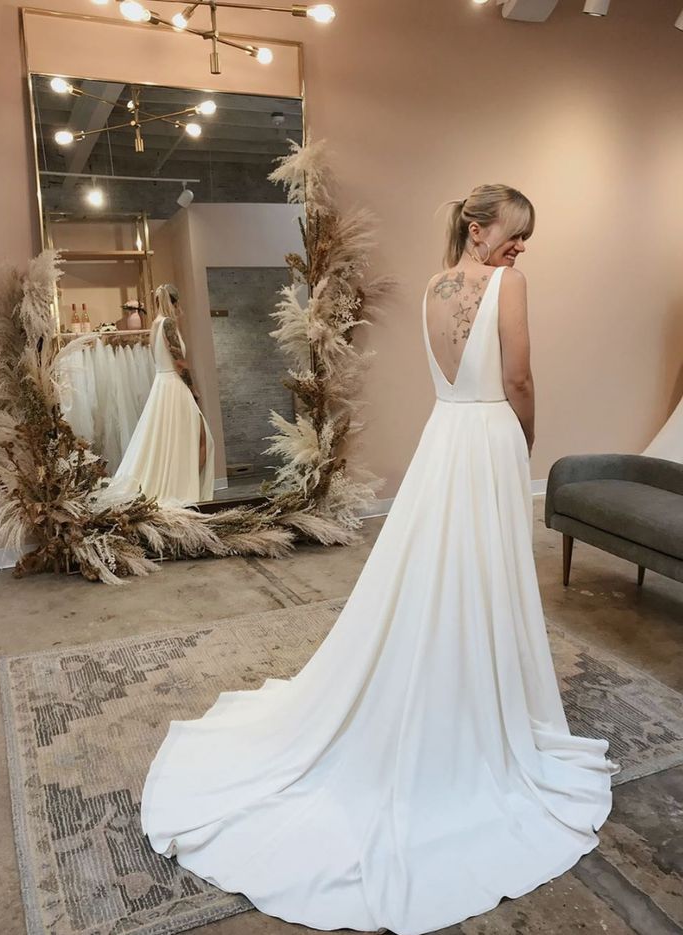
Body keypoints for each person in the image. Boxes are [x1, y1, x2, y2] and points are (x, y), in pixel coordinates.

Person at [140, 185, 620, 935]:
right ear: (479, 226)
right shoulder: (510, 284)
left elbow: (453, 369)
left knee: (435, 575)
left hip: (443, 439)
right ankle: (478, 702)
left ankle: (449, 679)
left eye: (526, 239)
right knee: (483, 575)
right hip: (488, 437)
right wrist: (526, 437)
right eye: (516, 233)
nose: (523, 248)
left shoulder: (434, 286)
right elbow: (519, 377)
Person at [114, 283, 215, 504]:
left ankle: (180, 483)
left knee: (169, 439)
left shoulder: (155, 325)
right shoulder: (168, 323)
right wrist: (192, 387)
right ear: (175, 302)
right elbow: (178, 360)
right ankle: (183, 487)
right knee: (201, 438)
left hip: (162, 384)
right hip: (174, 385)